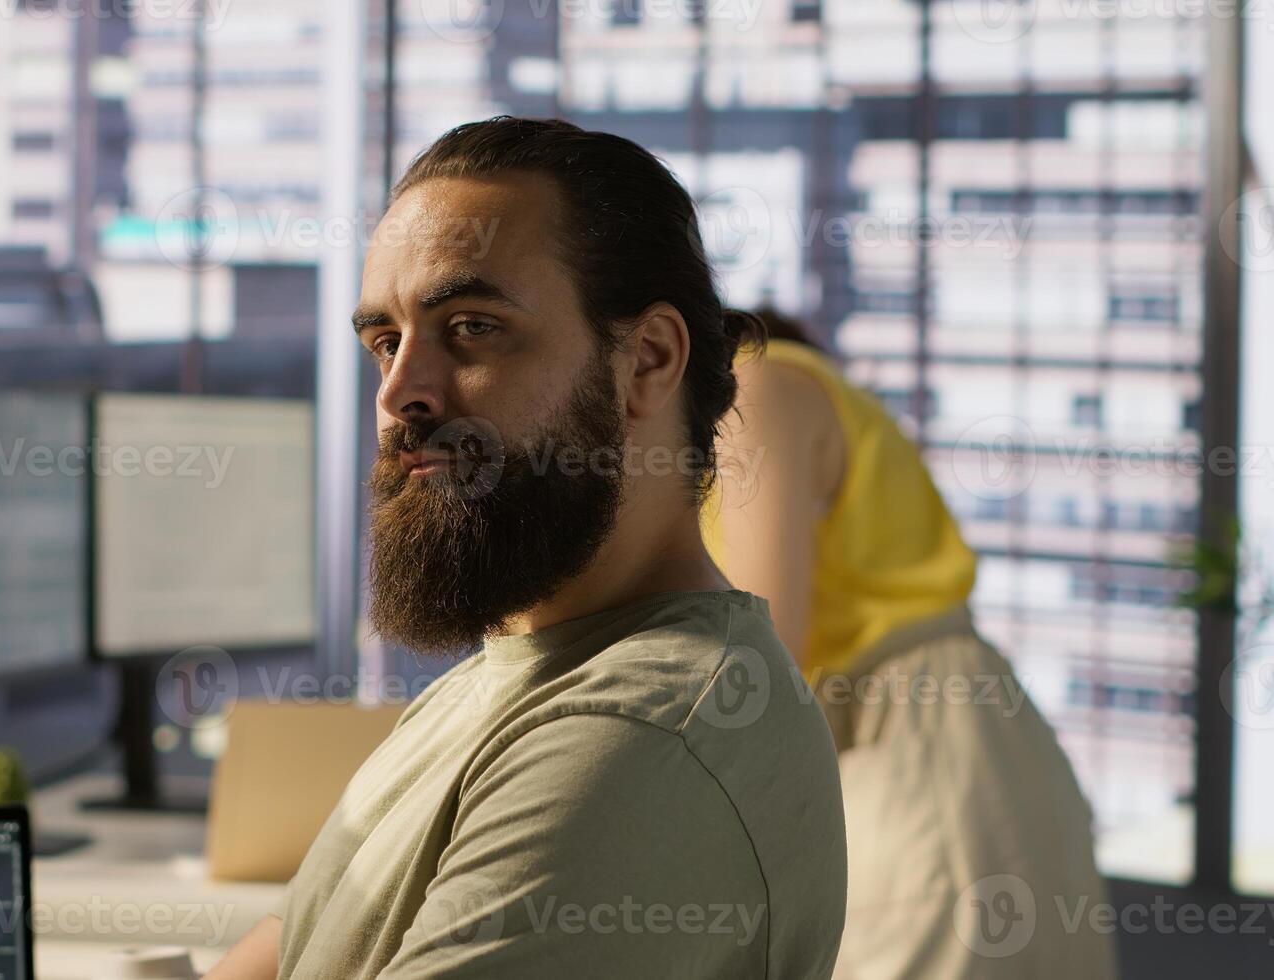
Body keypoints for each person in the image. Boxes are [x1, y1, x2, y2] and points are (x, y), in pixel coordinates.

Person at [206, 118, 847, 979]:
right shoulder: (498, 682)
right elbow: (297, 943)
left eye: (472, 326)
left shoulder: (638, 739)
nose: (399, 393)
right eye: (386, 343)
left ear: (647, 360)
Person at [704, 309, 1119, 979]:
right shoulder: (812, 400)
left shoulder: (758, 385)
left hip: (916, 741)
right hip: (976, 742)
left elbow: (760, 664)